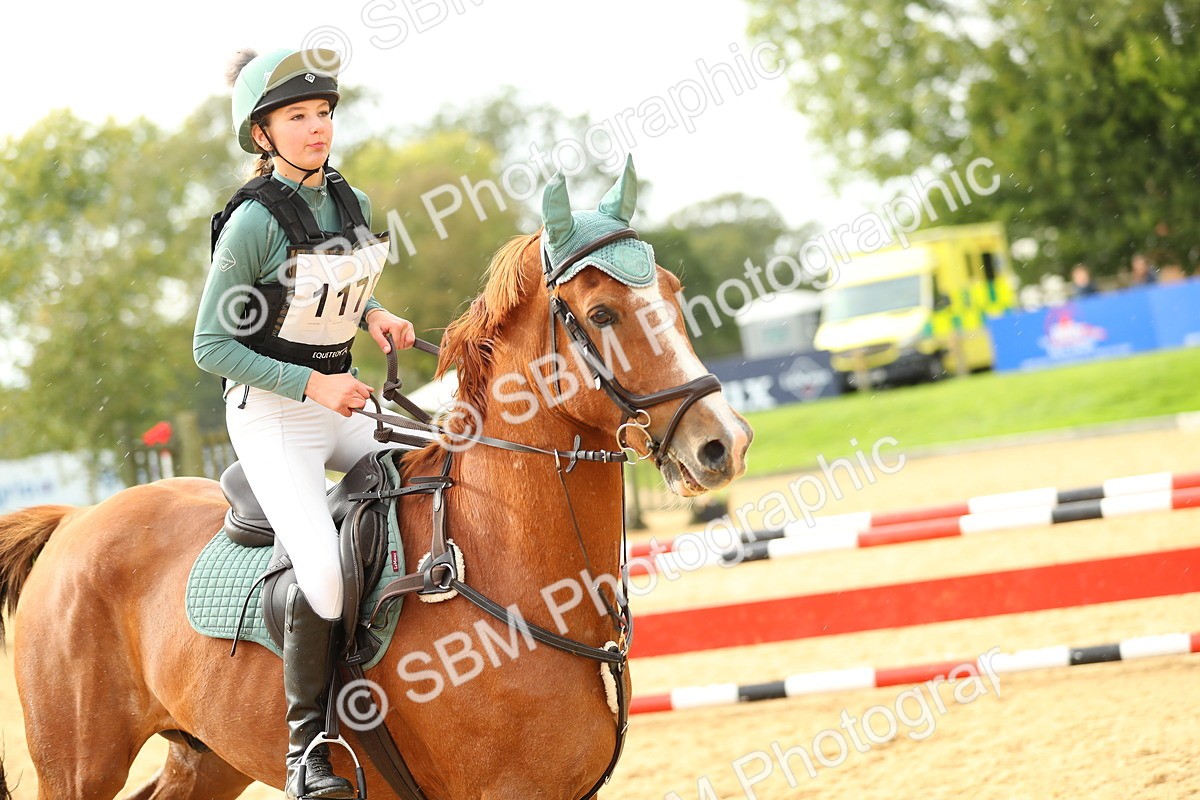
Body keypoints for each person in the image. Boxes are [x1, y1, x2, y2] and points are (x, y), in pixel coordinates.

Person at [194, 47, 415, 799]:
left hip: (340, 399)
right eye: (298, 117)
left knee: (441, 454)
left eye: (323, 113)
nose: (318, 127)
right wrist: (313, 386)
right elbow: (210, 345)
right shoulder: (252, 221)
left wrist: (378, 314)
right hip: (275, 418)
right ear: (262, 134)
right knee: (320, 575)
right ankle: (305, 754)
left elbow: (332, 296)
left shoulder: (344, 200)